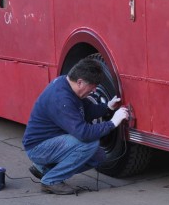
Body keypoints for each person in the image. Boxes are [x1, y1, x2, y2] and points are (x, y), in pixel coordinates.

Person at [21, 58, 130, 195]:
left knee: (98, 156)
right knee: (89, 144)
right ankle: (51, 181)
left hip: (52, 141)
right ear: (80, 82)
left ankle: (44, 169)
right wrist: (112, 123)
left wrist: (107, 107)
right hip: (38, 147)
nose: (95, 89)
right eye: (93, 85)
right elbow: (83, 133)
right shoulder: (62, 99)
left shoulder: (67, 84)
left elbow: (86, 111)